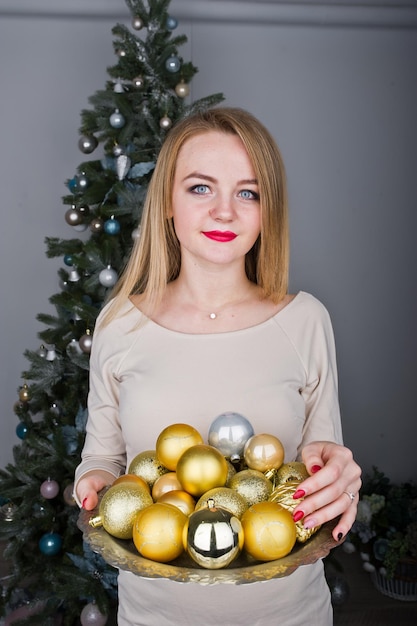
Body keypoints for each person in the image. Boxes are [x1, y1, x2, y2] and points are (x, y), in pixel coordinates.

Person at [74, 107, 361, 625]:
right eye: (201, 188)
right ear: (167, 201)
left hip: (289, 615)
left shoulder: (306, 321)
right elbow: (102, 459)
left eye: (248, 192)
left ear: (268, 210)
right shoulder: (120, 323)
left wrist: (338, 477)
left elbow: (323, 462)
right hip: (154, 617)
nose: (225, 212)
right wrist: (93, 482)